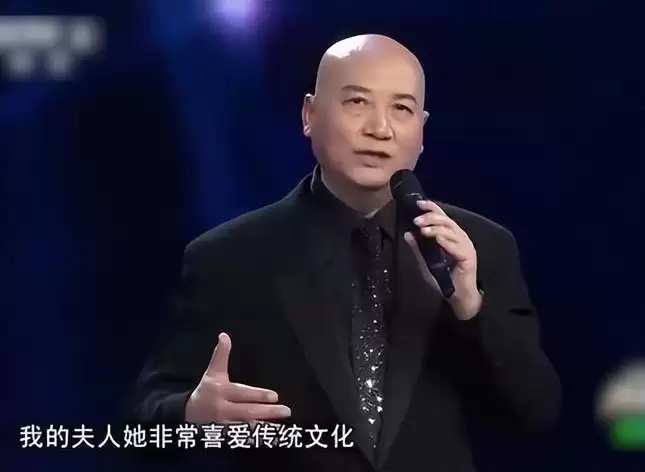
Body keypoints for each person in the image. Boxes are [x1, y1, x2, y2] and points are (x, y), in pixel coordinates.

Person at [126, 34, 561, 471]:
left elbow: (534, 414)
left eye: (402, 109)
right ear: (309, 115)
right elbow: (142, 426)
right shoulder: (229, 257)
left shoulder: (479, 247)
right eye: (357, 102)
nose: (380, 128)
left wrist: (469, 305)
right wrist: (191, 412)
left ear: (422, 131)